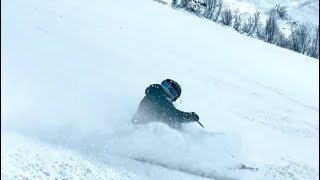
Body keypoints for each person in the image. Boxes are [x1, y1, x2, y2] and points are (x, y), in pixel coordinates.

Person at [131, 79, 200, 129]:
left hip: (140, 127)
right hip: (142, 129)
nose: (167, 89)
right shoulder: (158, 96)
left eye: (172, 91)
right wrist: (189, 116)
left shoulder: (154, 94)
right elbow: (174, 115)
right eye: (166, 85)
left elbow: (169, 116)